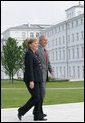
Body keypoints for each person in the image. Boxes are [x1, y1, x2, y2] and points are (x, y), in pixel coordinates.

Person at [17, 38, 47, 121]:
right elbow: (29, 68)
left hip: (38, 79)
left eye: (37, 43)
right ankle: (21, 111)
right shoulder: (28, 54)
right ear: (30, 45)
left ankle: (38, 115)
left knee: (40, 97)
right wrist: (31, 80)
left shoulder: (35, 53)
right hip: (32, 80)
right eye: (35, 43)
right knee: (36, 97)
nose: (37, 44)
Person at [33, 35, 55, 117]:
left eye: (47, 40)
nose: (46, 41)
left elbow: (48, 63)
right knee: (41, 95)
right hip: (39, 76)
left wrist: (51, 71)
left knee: (41, 95)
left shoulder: (46, 51)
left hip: (44, 76)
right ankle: (38, 113)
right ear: (40, 41)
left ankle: (37, 112)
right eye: (44, 40)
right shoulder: (37, 49)